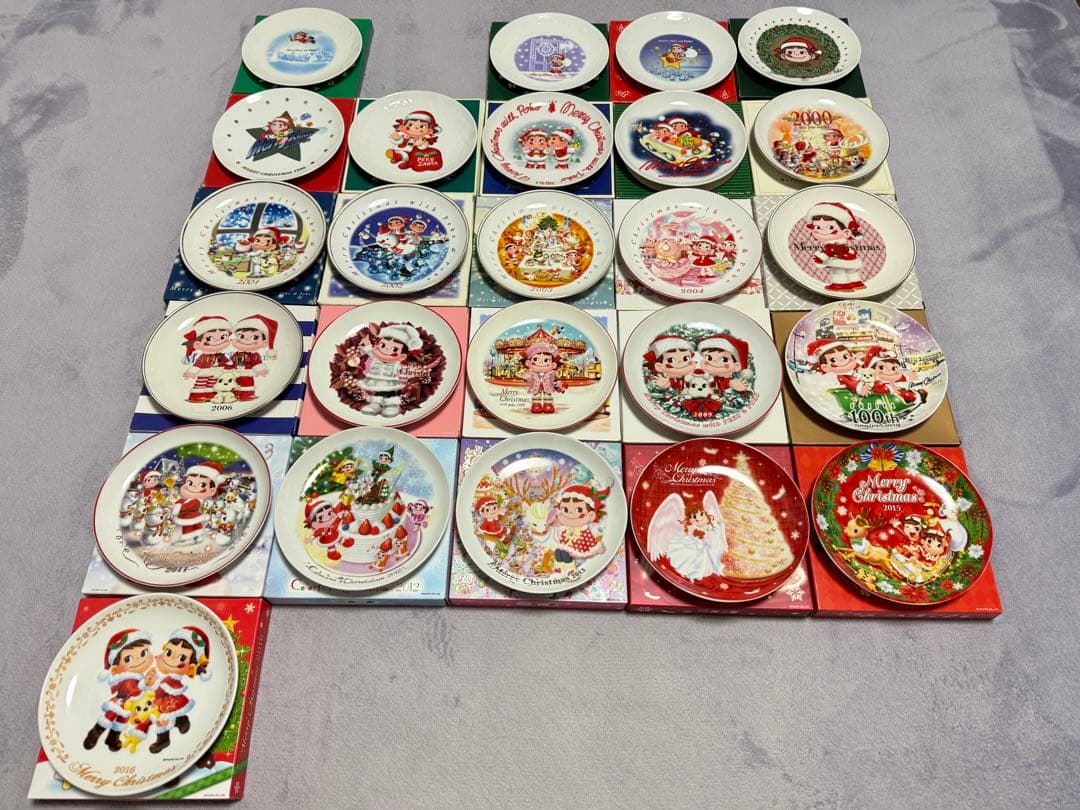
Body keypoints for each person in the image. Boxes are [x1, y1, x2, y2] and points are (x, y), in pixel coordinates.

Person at [83, 629, 155, 752]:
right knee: (109, 716)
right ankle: (95, 732)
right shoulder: (124, 678)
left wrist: (147, 682)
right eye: (128, 659)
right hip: (119, 702)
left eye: (144, 653)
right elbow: (132, 690)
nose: (139, 660)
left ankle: (112, 737)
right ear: (117, 667)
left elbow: (141, 689)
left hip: (128, 704)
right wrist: (143, 686)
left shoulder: (139, 677)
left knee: (122, 721)